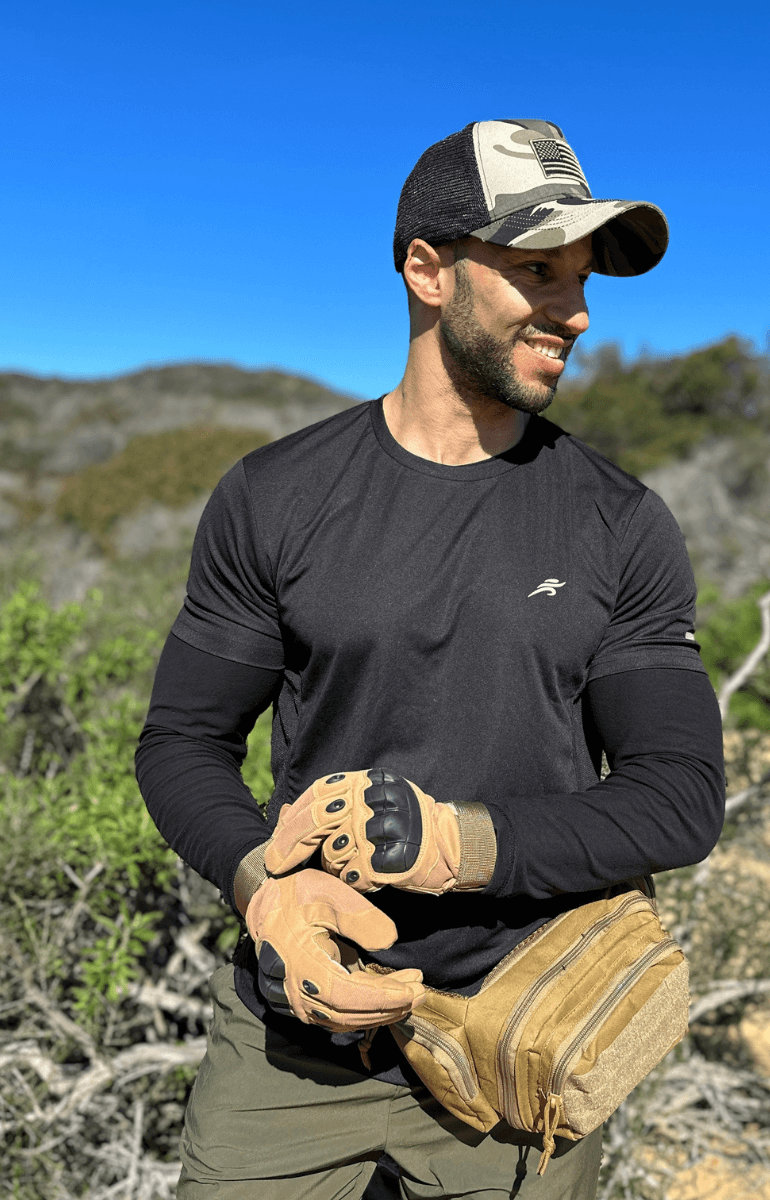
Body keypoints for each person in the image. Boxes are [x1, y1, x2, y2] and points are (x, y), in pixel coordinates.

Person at [136, 118, 726, 1199]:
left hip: (520, 1036)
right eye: (537, 272)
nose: (577, 313)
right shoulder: (275, 497)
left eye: (584, 279)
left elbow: (680, 798)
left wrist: (456, 842)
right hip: (297, 1033)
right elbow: (182, 742)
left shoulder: (621, 524)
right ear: (426, 269)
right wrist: (265, 889)